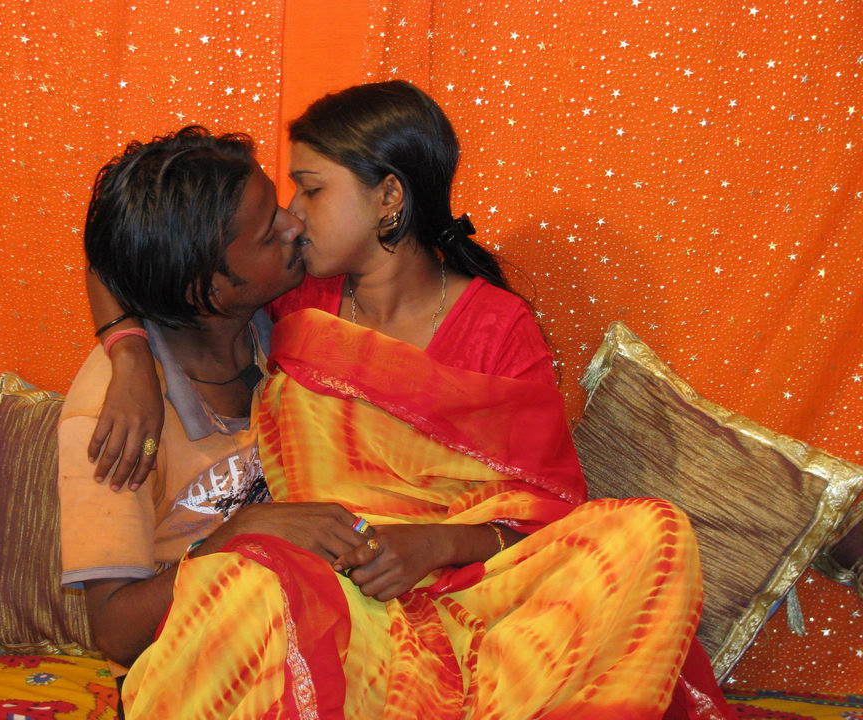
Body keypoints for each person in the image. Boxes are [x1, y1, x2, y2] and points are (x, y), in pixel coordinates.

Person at [87, 82, 735, 719]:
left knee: (649, 532)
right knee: (243, 581)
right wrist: (128, 352)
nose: (293, 215)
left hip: (481, 601)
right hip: (340, 601)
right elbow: (131, 249)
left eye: (311, 189)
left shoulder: (498, 328)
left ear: (388, 196)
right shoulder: (297, 298)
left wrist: (433, 545)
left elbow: (544, 519)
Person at [58, 127, 383, 711]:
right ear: (205, 286)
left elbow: (108, 263)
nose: (294, 225)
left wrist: (126, 343)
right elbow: (115, 632)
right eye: (267, 232)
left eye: (278, 206)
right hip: (192, 676)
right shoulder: (113, 419)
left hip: (316, 633)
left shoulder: (285, 326)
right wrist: (238, 535)